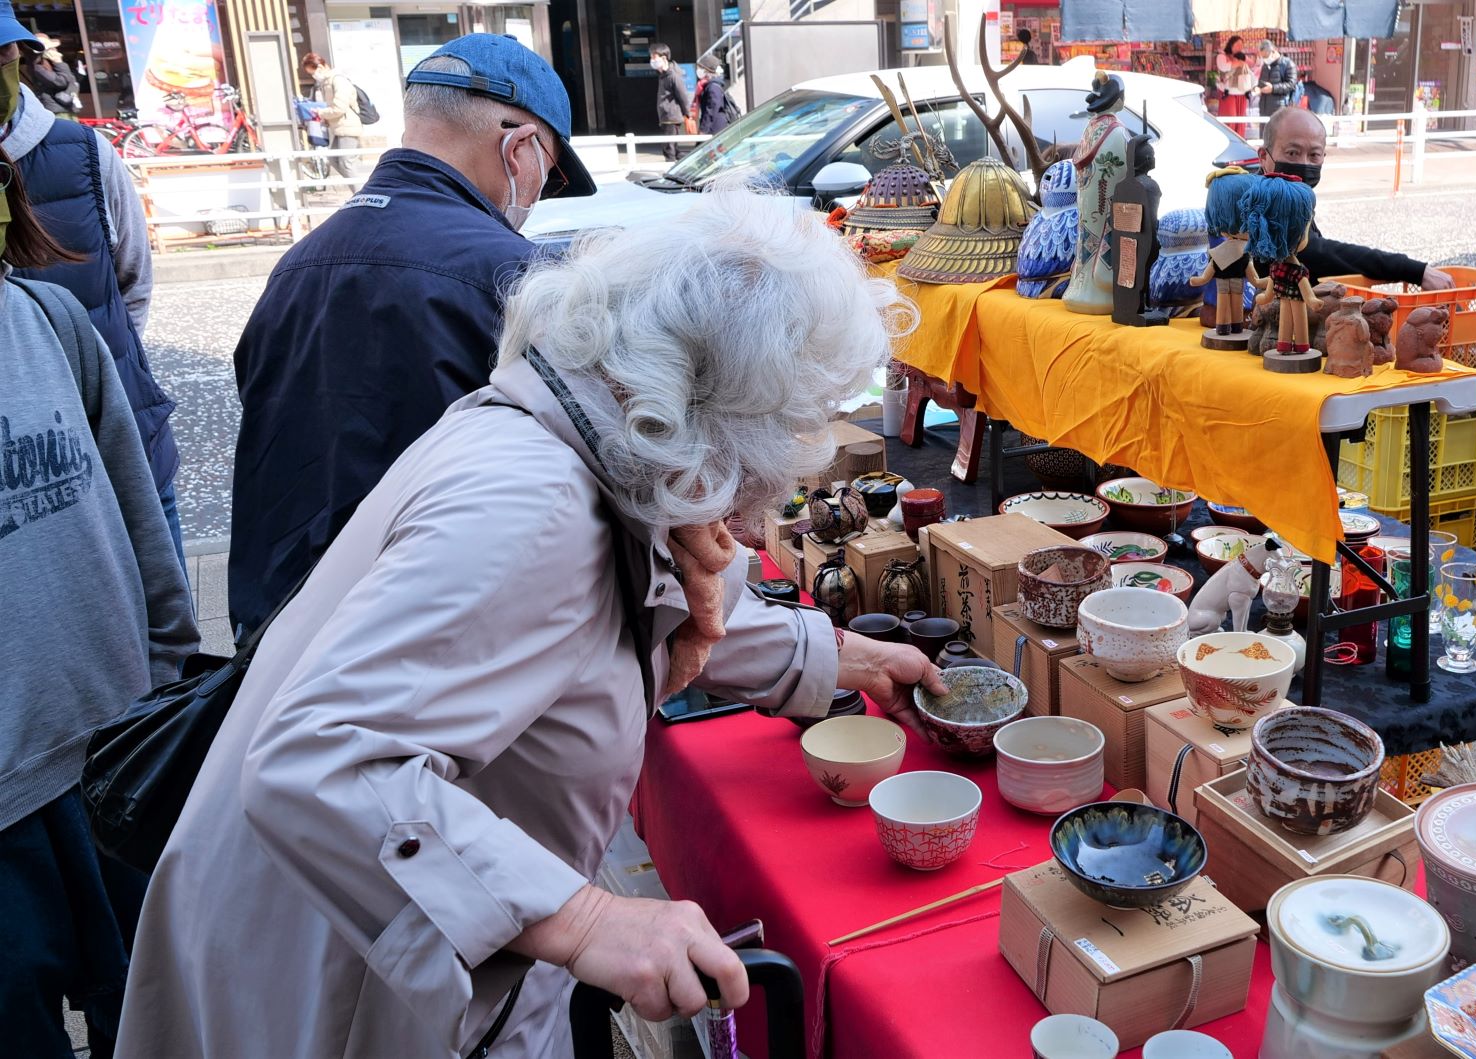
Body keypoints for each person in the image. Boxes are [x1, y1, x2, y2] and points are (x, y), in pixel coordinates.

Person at [120, 186, 947, 1057]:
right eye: (796, 424)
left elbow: (586, 612)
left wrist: (836, 654)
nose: (778, 485)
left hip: (353, 954)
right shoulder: (536, 503)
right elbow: (316, 758)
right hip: (332, 997)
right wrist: (585, 919)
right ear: (732, 406)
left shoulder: (573, 437)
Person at [226, 33, 597, 636]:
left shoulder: (299, 262)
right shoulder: (516, 275)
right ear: (520, 146)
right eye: (549, 175)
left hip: (280, 622)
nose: (537, 194)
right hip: (422, 628)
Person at [0, 135, 198, 1058]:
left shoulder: (47, 321)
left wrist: (163, 678)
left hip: (113, 757)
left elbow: (137, 509)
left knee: (152, 1014)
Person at [2, 13, 180, 569]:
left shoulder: (83, 152)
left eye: (5, 53)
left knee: (166, 619)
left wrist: (96, 371)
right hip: (22, 482)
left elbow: (132, 281)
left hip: (118, 426)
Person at [1258, 108, 1456, 290]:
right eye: (1292, 153)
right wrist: (1412, 270)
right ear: (1263, 158)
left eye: (1314, 155)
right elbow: (1315, 251)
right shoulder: (1263, 200)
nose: (1304, 163)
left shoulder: (1291, 196)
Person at [301, 52, 364, 188]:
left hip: (348, 127)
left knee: (346, 163)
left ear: (321, 66)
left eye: (313, 72)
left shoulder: (338, 80)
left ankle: (363, 196)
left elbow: (339, 107)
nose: (314, 76)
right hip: (338, 128)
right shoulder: (326, 82)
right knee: (335, 160)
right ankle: (359, 195)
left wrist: (321, 113)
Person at [652, 43, 689, 162]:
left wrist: (688, 114)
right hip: (665, 115)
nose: (652, 60)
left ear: (663, 58)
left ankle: (671, 171)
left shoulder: (673, 76)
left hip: (671, 116)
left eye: (654, 57)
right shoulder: (662, 75)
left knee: (669, 148)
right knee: (674, 149)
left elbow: (682, 95)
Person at [26, 33, 77, 117]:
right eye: (50, 48)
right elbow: (61, 82)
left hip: (67, 108)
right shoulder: (38, 68)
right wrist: (59, 62)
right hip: (56, 110)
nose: (54, 50)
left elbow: (71, 79)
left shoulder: (52, 64)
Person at [1253, 39, 1297, 119]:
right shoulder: (1265, 65)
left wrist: (1273, 88)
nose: (1264, 59)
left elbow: (1291, 85)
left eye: (1265, 57)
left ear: (1273, 51)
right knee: (1264, 131)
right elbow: (1261, 82)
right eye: (1262, 57)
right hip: (1264, 108)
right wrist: (1258, 88)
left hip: (1279, 108)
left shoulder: (1287, 64)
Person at [1216, 36, 1255, 124]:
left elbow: (1253, 64)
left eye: (1241, 45)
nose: (1240, 47)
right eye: (1237, 45)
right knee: (1230, 121)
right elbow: (1223, 66)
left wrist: (1258, 57)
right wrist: (1238, 63)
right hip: (1228, 94)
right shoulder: (1222, 56)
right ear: (1231, 45)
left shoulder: (1242, 56)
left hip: (1242, 93)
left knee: (1240, 122)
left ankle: (1239, 137)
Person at [693, 51, 733, 136]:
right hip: (713, 128)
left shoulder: (713, 87)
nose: (698, 70)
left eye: (700, 68)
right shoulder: (708, 85)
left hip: (715, 129)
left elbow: (711, 110)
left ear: (707, 70)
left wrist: (703, 130)